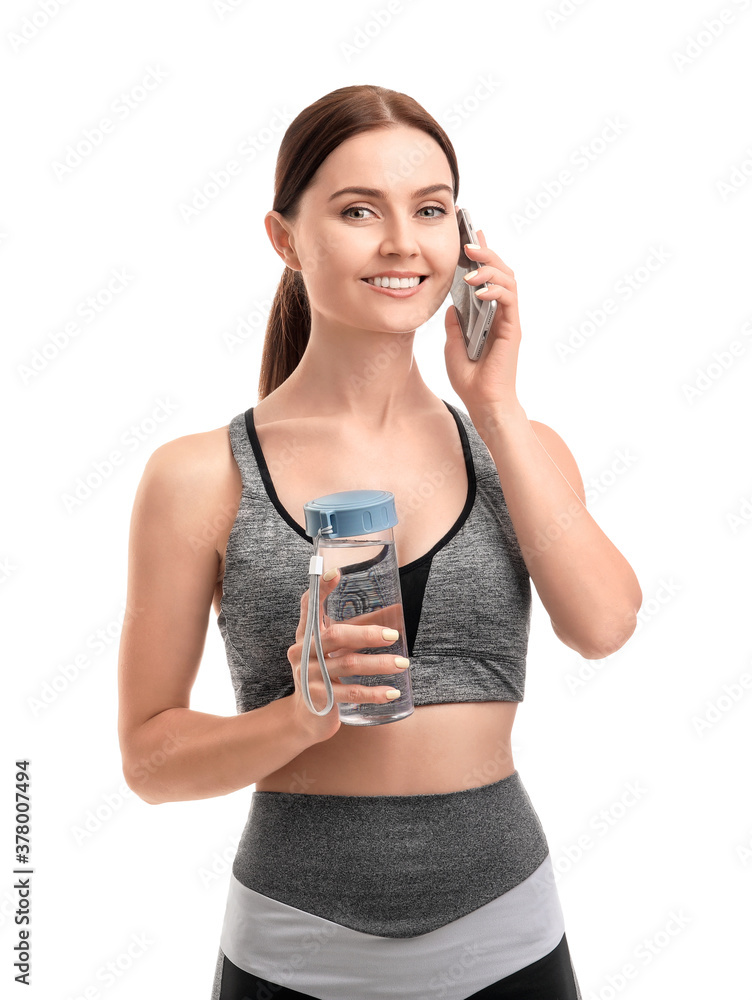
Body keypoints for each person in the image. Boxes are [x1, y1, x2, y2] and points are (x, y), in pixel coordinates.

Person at [117, 84, 642, 999]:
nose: (404, 243)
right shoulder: (199, 476)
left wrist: (496, 407)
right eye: (359, 210)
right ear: (284, 239)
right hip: (291, 949)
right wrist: (299, 717)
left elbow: (604, 625)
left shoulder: (519, 445)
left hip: (508, 938)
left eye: (431, 210)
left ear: (465, 238)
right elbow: (150, 762)